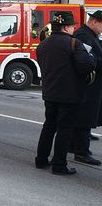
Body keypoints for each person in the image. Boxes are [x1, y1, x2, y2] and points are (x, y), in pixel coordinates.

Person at [35, 12, 95, 175]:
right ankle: (59, 164)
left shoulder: (42, 45)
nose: (73, 28)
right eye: (72, 26)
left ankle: (41, 159)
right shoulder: (74, 43)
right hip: (69, 94)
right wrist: (91, 59)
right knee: (64, 129)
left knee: (49, 126)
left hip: (50, 92)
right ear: (66, 27)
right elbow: (85, 66)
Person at [70, 10, 102, 165]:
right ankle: (82, 152)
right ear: (94, 21)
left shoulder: (90, 35)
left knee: (86, 116)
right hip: (88, 84)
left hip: (90, 84)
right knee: (85, 117)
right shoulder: (84, 35)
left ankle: (74, 145)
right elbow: (88, 60)